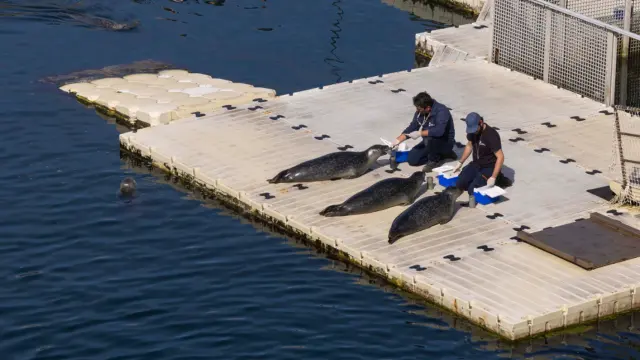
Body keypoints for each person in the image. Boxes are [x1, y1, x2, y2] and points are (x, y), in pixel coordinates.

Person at [390, 92, 457, 172]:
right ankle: (441, 155)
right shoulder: (421, 111)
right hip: (429, 142)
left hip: (444, 141)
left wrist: (419, 133)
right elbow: (413, 126)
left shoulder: (442, 111)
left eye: (419, 109)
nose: (417, 111)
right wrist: (398, 140)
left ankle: (435, 159)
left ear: (428, 108)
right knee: (412, 160)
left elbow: (439, 131)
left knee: (429, 138)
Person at [453, 112, 507, 202]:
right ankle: (478, 178)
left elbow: (500, 157)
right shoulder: (472, 132)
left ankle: (498, 178)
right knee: (460, 183)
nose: (474, 132)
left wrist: (493, 177)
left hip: (488, 166)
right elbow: (469, 145)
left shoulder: (491, 135)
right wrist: (460, 162)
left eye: (475, 129)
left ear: (481, 122)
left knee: (472, 191)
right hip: (476, 164)